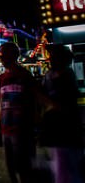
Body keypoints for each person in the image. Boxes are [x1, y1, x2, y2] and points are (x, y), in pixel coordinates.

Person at [0, 42, 46, 183]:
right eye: (1, 54)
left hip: (22, 132)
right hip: (6, 131)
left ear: (14, 55)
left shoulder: (25, 76)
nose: (2, 58)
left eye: (4, 54)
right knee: (10, 168)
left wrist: (37, 128)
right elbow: (1, 107)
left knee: (24, 170)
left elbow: (36, 102)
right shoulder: (3, 79)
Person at [39, 44, 84, 183]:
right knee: (64, 166)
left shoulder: (64, 75)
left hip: (64, 129)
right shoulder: (54, 75)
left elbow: (64, 104)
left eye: (53, 56)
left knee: (64, 167)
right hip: (59, 130)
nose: (50, 59)